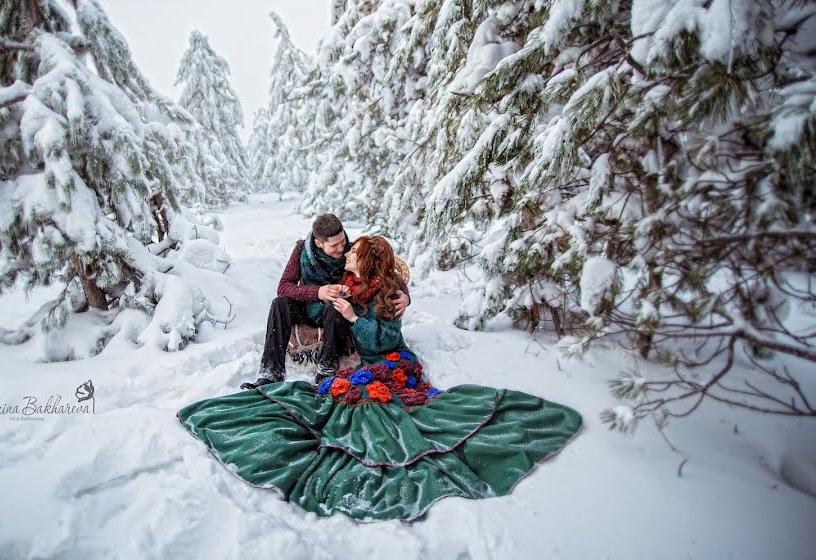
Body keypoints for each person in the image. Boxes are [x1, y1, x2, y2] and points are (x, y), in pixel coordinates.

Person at [177, 235, 583, 521]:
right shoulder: (311, 256)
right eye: (338, 248)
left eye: (349, 250)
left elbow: (385, 321)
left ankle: (332, 376)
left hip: (384, 357)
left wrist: (372, 308)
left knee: (364, 405)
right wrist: (325, 299)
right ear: (319, 244)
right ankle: (274, 372)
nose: (343, 253)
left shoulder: (378, 284)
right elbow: (295, 287)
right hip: (325, 313)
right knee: (286, 308)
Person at [240, 214, 409, 389]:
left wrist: (404, 295)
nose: (341, 248)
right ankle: (270, 373)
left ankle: (326, 370)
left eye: (343, 241)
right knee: (279, 303)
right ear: (319, 243)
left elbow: (386, 273)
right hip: (309, 305)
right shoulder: (302, 251)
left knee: (333, 306)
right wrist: (318, 292)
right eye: (334, 245)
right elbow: (283, 287)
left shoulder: (350, 251)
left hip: (335, 314)